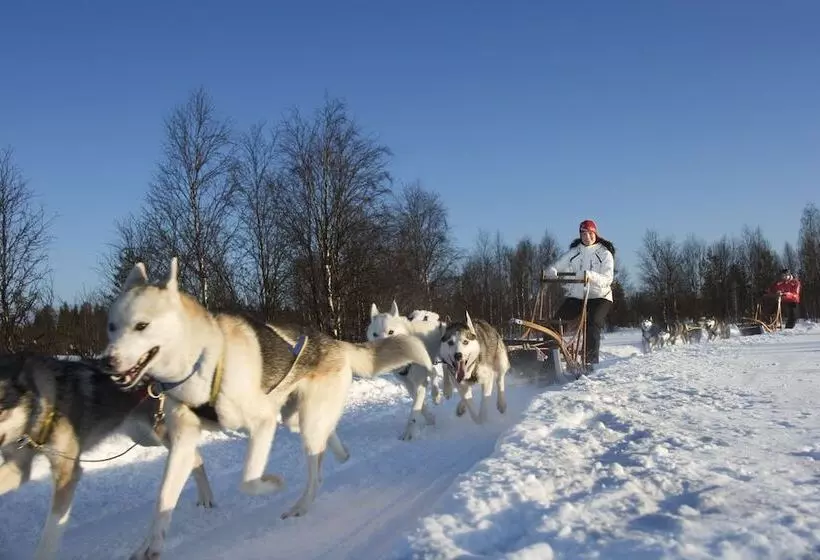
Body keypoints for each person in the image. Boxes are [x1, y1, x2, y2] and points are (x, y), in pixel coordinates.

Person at [545, 219, 615, 370]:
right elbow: (559, 265)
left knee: (593, 322)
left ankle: (590, 363)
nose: (587, 237)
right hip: (578, 295)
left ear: (595, 234)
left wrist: (590, 275)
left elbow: (608, 279)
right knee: (554, 325)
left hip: (600, 296)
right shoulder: (575, 251)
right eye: (583, 234)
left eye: (590, 234)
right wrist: (552, 271)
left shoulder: (604, 253)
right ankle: (548, 364)